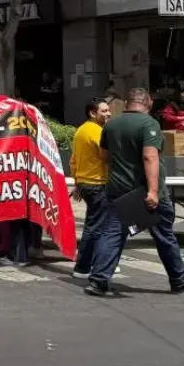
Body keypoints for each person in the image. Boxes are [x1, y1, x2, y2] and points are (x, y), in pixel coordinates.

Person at [86, 87, 184, 296]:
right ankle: (179, 280)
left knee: (112, 234)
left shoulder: (111, 124)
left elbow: (104, 156)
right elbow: (150, 157)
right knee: (164, 235)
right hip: (143, 191)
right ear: (147, 102)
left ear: (127, 103)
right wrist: (153, 191)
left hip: (117, 189)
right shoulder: (149, 124)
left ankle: (98, 280)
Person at [70, 97, 112, 279]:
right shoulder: (96, 131)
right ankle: (85, 265)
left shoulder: (81, 130)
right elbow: (106, 157)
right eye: (104, 111)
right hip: (97, 184)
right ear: (93, 113)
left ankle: (90, 263)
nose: (108, 113)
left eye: (108, 110)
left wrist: (78, 182)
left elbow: (74, 161)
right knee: (96, 227)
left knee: (93, 225)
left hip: (87, 183)